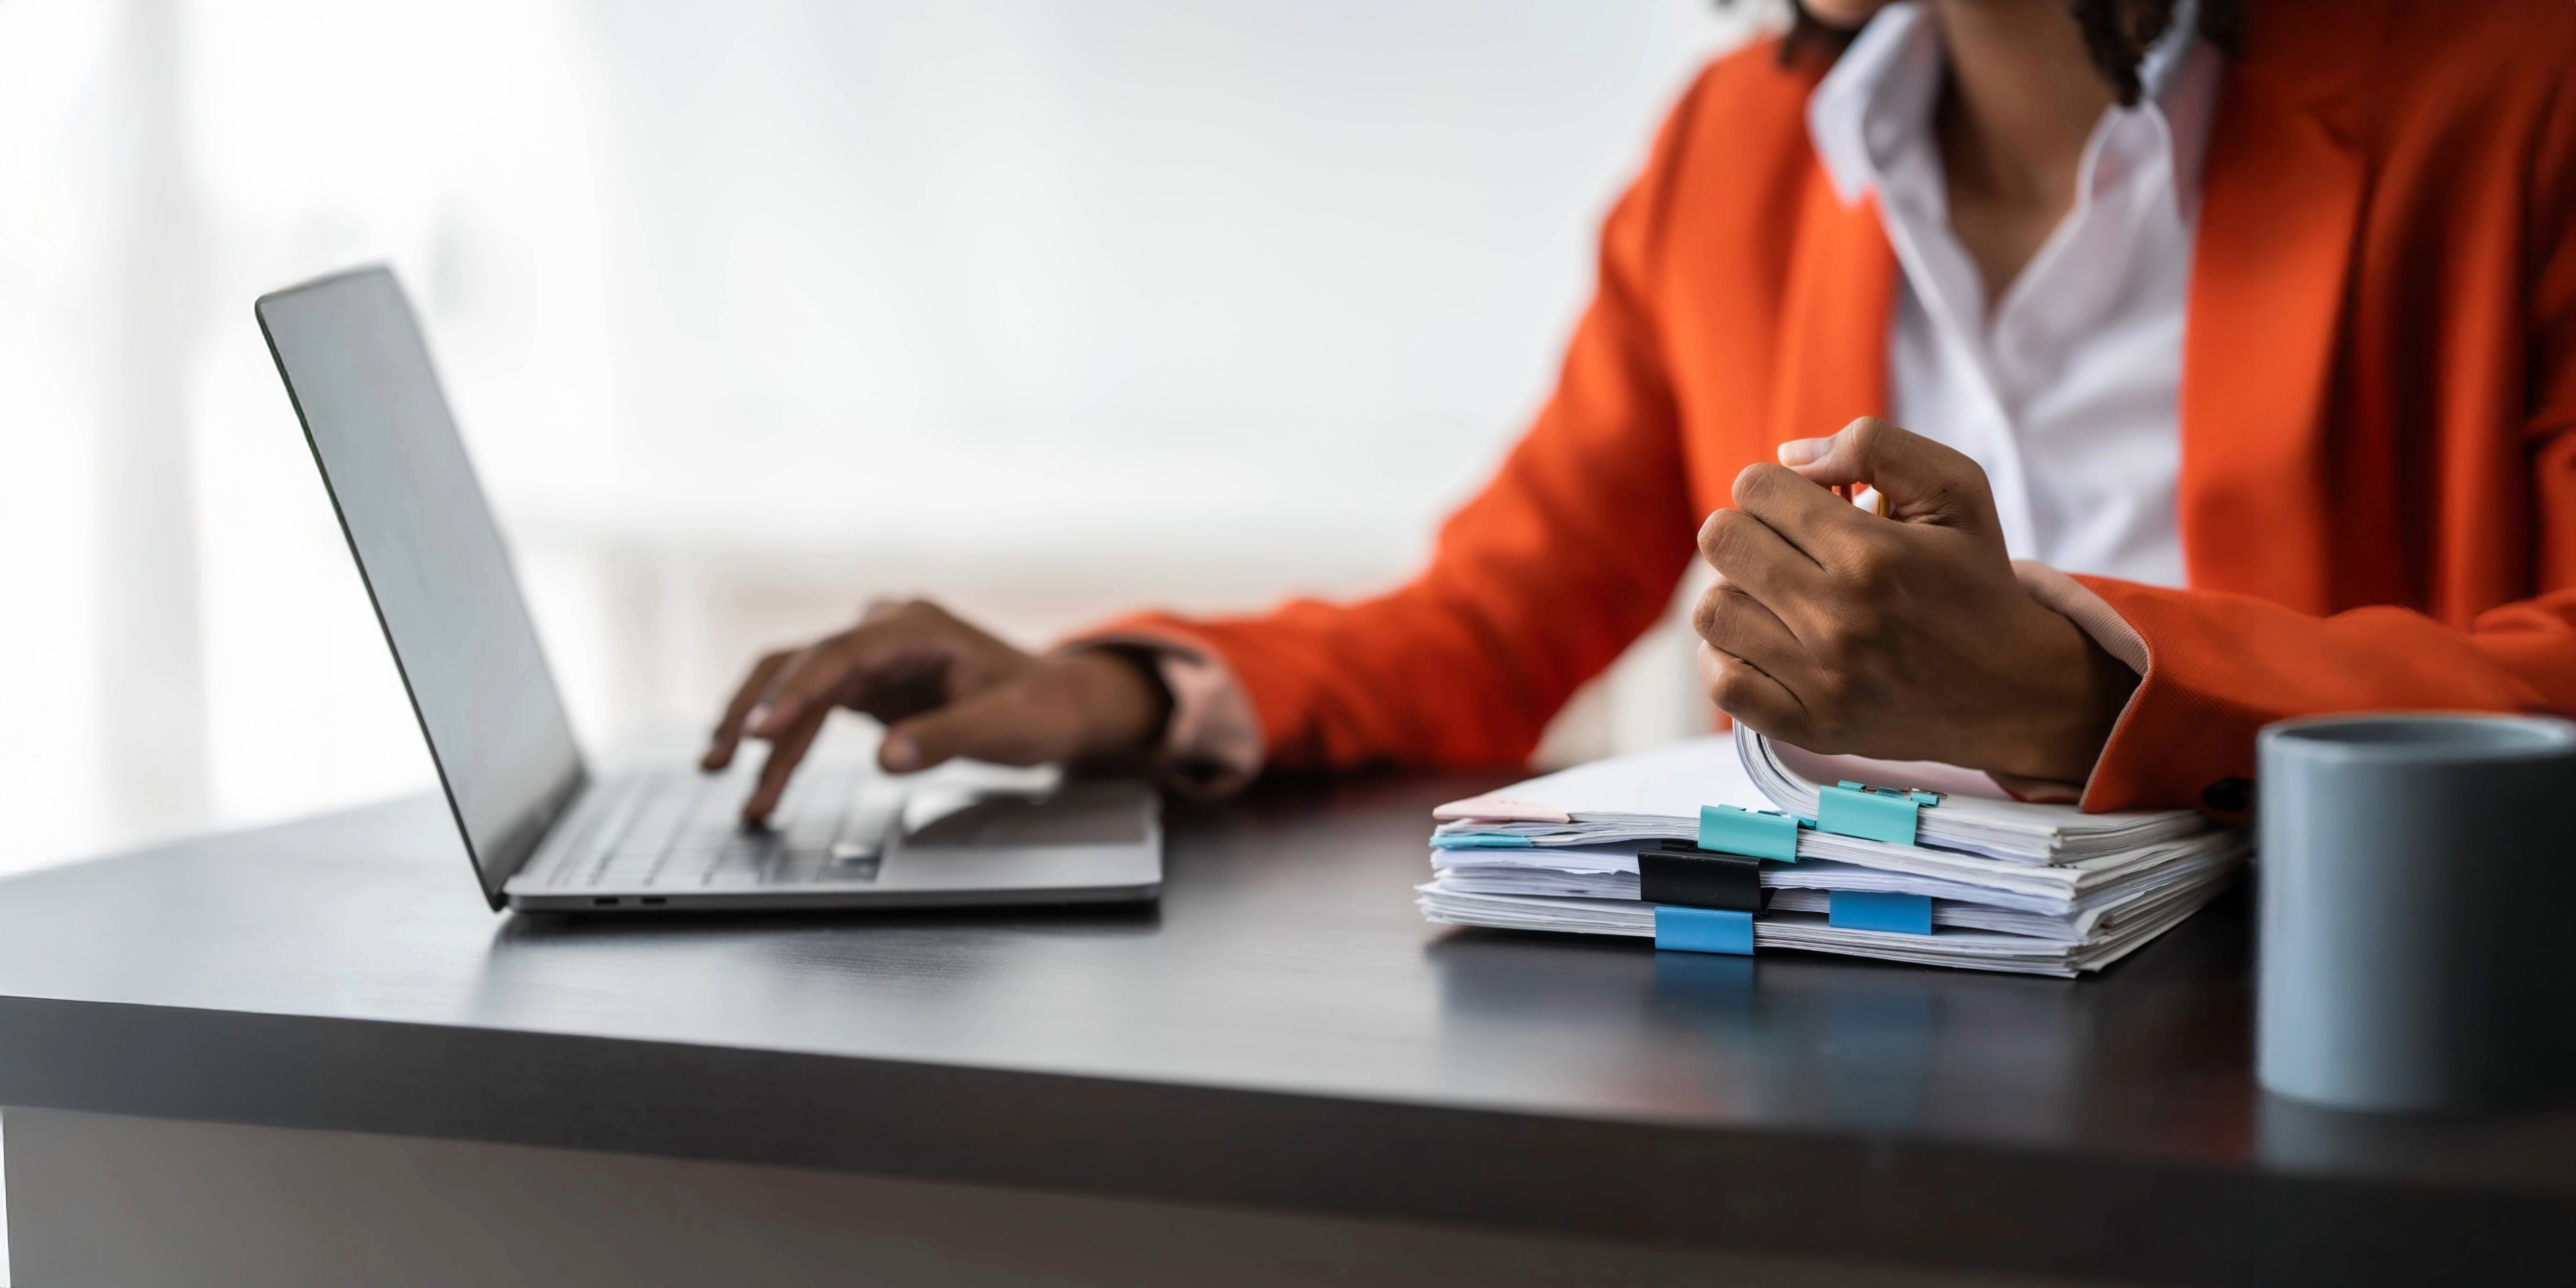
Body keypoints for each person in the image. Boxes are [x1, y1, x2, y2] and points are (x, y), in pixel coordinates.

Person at [703, 0, 2576, 824]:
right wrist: (1108, 688)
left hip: (2342, 1099)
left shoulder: (2519, 85)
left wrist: (2083, 690)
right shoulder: (1734, 154)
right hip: (1838, 1099)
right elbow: (1485, 625)